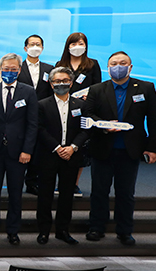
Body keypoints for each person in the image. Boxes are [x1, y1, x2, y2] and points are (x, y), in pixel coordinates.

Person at [84, 51, 156, 246]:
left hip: (130, 149)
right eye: (113, 63)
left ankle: (125, 231)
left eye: (122, 63)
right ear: (107, 67)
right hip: (103, 148)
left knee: (125, 193)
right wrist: (102, 124)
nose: (117, 66)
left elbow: (154, 120)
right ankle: (96, 227)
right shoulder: (96, 89)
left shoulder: (145, 88)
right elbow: (88, 116)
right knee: (99, 191)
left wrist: (153, 148)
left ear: (130, 67)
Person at [0, 53, 38, 245]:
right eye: (5, 69)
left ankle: (13, 230)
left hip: (18, 152)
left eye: (13, 69)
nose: (9, 72)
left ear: (19, 70)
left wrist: (27, 150)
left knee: (16, 193)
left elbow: (32, 124)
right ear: (0, 70)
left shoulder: (28, 92)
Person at [36, 67, 89, 245]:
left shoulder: (80, 105)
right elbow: (40, 129)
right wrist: (57, 147)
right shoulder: (42, 104)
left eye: (65, 80)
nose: (61, 84)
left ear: (71, 82)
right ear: (51, 84)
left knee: (67, 196)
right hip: (49, 155)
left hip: (72, 156)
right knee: (45, 195)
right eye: (57, 81)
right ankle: (43, 231)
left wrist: (73, 147)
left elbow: (85, 129)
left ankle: (62, 230)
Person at [55, 32, 102, 198]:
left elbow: (98, 88)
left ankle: (74, 184)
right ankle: (60, 183)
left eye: (81, 43)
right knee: (62, 142)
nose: (77, 47)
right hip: (63, 107)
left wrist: (89, 98)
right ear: (68, 46)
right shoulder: (60, 64)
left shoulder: (92, 64)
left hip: (84, 108)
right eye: (74, 44)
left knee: (79, 145)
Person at [17, 34, 54, 196]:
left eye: (38, 44)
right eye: (31, 44)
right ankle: (16, 180)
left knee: (38, 149)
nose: (35, 47)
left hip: (41, 113)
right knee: (19, 147)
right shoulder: (17, 67)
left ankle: (32, 182)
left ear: (43, 48)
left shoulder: (49, 68)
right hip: (20, 113)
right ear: (25, 48)